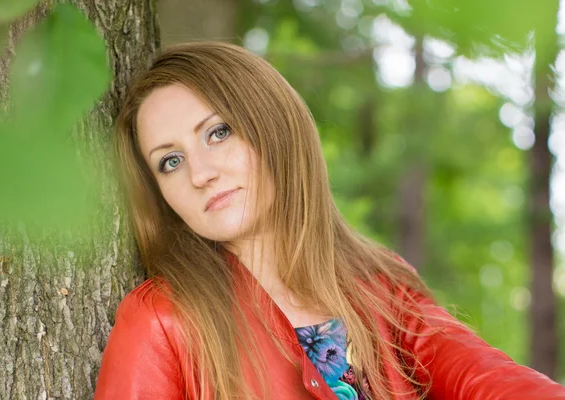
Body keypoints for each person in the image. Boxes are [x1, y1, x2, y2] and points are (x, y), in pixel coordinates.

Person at [94, 41, 565, 400]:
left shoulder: (379, 285)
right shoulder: (162, 321)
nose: (200, 173)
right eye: (170, 162)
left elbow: (485, 376)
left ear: (273, 125)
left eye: (218, 132)